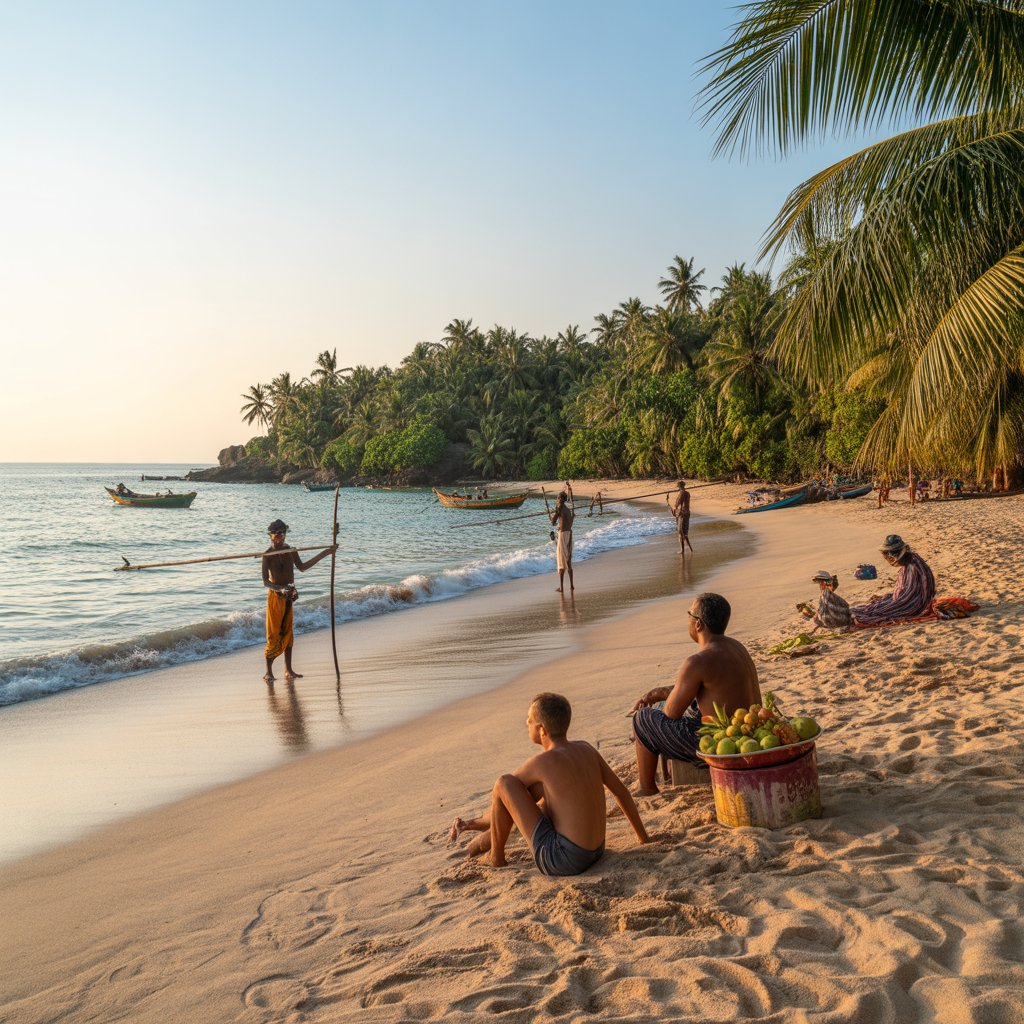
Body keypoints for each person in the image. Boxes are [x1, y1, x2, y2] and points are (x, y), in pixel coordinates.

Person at [447, 693, 649, 874]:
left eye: (529, 721)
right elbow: (621, 792)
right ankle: (478, 833)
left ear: (542, 729)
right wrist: (643, 838)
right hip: (596, 851)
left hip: (564, 860)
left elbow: (505, 793)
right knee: (538, 791)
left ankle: (496, 858)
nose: (527, 723)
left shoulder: (543, 762)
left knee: (504, 783)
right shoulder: (587, 749)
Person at [630, 592, 760, 795]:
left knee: (643, 718)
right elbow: (711, 689)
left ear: (698, 624)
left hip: (720, 742)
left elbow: (671, 713)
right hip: (748, 732)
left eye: (690, 614)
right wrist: (659, 693)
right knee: (675, 707)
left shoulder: (697, 661)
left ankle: (647, 787)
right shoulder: (736, 647)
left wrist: (660, 700)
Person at [262, 519, 335, 683]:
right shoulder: (267, 555)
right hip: (275, 596)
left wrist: (327, 552)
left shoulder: (291, 551)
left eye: (282, 534)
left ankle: (288, 669)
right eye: (277, 535)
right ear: (270, 536)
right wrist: (279, 589)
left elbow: (302, 567)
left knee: (288, 633)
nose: (280, 538)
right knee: (273, 633)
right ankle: (268, 672)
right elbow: (265, 581)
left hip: (290, 594)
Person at [852, 535, 935, 626]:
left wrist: (890, 602)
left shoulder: (913, 567)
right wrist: (888, 597)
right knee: (871, 607)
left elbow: (907, 599)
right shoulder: (910, 561)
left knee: (872, 612)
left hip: (914, 605)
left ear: (895, 555)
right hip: (912, 600)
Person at [551, 490, 574, 592]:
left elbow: (552, 522)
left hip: (563, 535)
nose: (557, 500)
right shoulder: (567, 510)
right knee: (568, 560)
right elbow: (569, 522)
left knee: (561, 561)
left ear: (560, 499)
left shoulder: (559, 509)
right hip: (569, 534)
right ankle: (571, 585)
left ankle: (561, 587)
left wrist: (553, 514)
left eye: (557, 498)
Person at [667, 480, 693, 554]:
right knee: (685, 532)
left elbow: (677, 504)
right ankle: (690, 549)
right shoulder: (687, 493)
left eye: (678, 487)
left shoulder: (682, 493)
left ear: (679, 487)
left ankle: (682, 550)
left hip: (682, 514)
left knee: (680, 532)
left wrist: (669, 503)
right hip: (687, 513)